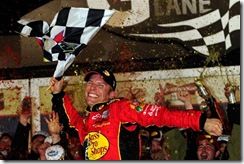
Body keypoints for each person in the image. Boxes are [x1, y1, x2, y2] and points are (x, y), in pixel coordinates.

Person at [49, 68, 223, 160]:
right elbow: (71, 122)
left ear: (112, 94)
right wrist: (57, 94)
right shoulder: (88, 121)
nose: (92, 88)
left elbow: (159, 115)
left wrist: (200, 122)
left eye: (101, 85)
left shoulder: (120, 108)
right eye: (90, 83)